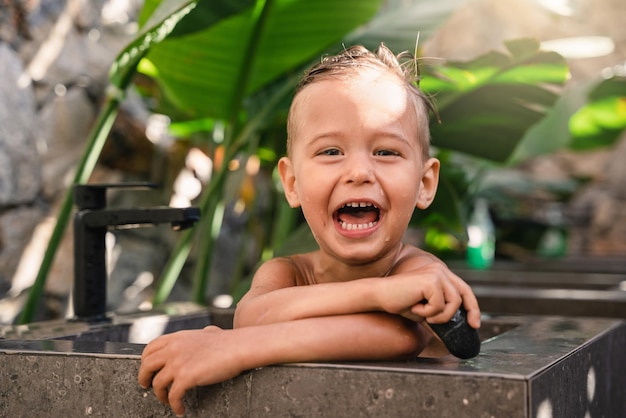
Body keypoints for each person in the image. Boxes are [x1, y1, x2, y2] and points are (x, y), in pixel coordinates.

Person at [138, 43, 481, 417]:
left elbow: (397, 336)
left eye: (386, 152)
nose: (359, 172)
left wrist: (235, 349)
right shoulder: (288, 272)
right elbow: (251, 317)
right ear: (292, 183)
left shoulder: (419, 272)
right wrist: (379, 293)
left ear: (425, 183)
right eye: (331, 152)